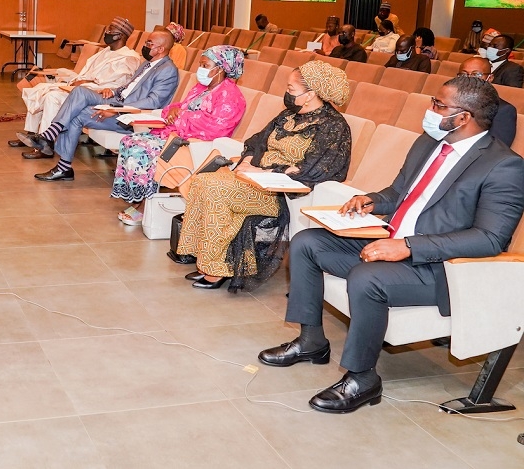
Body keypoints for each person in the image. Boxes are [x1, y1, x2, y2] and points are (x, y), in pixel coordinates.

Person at [258, 76, 524, 414]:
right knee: (307, 242)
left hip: (437, 268)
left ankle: (362, 378)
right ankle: (311, 342)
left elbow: (490, 238)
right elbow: (400, 193)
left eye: (438, 105)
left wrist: (410, 246)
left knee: (367, 278)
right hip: (391, 244)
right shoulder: (429, 142)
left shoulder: (504, 166)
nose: (430, 110)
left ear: (463, 118)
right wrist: (370, 200)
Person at [173, 61, 352, 291]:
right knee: (202, 180)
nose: (286, 94)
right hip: (254, 180)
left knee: (217, 189)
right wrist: (247, 160)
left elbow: (313, 171)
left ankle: (216, 269)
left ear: (311, 95)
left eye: (291, 90)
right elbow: (257, 141)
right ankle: (206, 259)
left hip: (280, 194)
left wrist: (264, 171)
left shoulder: (333, 127)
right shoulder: (288, 115)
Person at [18, 30, 179, 182]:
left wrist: (115, 109)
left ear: (160, 49)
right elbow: (130, 88)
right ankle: (51, 135)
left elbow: (153, 102)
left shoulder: (168, 70)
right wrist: (113, 91)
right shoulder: (147, 64)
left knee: (78, 116)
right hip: (117, 101)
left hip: (130, 115)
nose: (145, 45)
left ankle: (62, 165)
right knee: (80, 91)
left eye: (149, 43)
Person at [113, 46, 247, 225]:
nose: (200, 69)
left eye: (205, 65)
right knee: (129, 140)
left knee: (141, 148)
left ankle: (144, 205)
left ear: (221, 68)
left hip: (195, 145)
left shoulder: (230, 95)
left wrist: (181, 116)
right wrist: (174, 111)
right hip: (177, 135)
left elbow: (215, 127)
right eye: (200, 64)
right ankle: (139, 198)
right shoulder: (202, 88)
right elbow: (182, 106)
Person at [12, 17, 141, 154]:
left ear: (119, 35)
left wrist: (86, 83)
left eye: (110, 30)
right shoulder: (106, 51)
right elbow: (87, 73)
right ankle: (32, 134)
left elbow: (116, 85)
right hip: (81, 87)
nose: (106, 33)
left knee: (52, 97)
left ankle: (45, 145)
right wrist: (77, 81)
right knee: (40, 89)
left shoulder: (129, 57)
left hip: (94, 94)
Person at [457, 57, 517, 147]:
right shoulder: (451, 101)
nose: (469, 79)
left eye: (477, 74)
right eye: (463, 75)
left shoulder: (503, 110)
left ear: (490, 78)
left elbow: (496, 148)